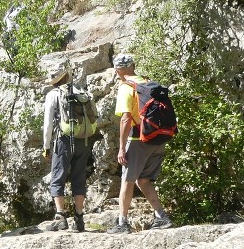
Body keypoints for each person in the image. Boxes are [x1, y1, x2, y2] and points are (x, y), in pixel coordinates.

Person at [108, 53, 173, 234]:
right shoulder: (148, 82)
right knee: (143, 180)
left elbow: (126, 119)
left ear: (117, 70)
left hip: (138, 140)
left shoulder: (126, 88)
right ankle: (161, 216)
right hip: (159, 138)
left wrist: (121, 147)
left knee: (127, 181)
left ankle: (122, 223)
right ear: (133, 66)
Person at [42, 68, 95, 232]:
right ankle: (79, 219)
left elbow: (48, 124)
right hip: (84, 140)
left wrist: (46, 146)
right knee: (79, 179)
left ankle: (60, 217)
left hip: (63, 141)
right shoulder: (82, 91)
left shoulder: (53, 94)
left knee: (58, 177)